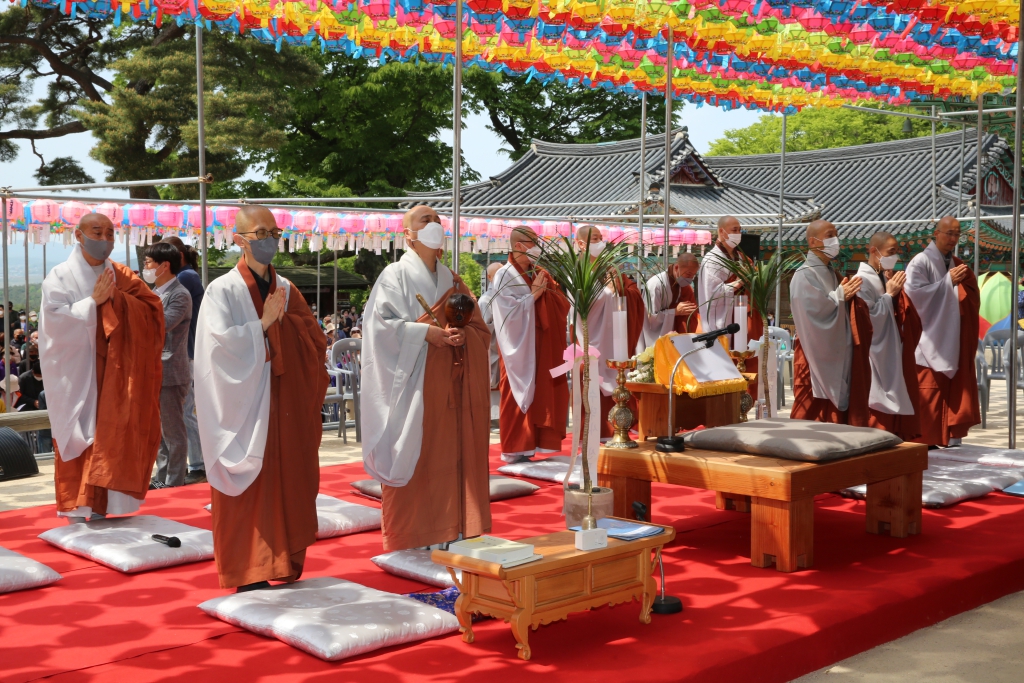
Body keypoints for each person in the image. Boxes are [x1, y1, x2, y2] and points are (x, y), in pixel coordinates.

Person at [195, 206, 328, 591]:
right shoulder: (222, 290)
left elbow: (313, 340)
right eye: (260, 233)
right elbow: (215, 352)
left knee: (288, 480)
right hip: (243, 407)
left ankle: (282, 561)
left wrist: (286, 328)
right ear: (239, 239)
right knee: (250, 487)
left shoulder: (287, 287)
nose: (269, 240)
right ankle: (248, 570)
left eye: (274, 232)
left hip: (285, 402)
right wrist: (264, 325)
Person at [361, 204, 491, 551]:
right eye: (425, 220)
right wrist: (426, 334)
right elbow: (379, 328)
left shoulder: (452, 279)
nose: (433, 223)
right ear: (409, 234)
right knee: (419, 455)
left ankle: (451, 529)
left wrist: (465, 336)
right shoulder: (394, 276)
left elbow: (479, 327)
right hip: (414, 386)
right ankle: (413, 536)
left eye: (437, 219)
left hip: (450, 382)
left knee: (451, 455)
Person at [39, 213, 164, 522]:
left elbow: (152, 311)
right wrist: (93, 303)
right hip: (78, 372)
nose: (105, 239)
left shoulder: (122, 275)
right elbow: (53, 323)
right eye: (97, 232)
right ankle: (80, 507)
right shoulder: (59, 276)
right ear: (78, 235)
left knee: (115, 434)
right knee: (83, 436)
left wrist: (117, 301)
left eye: (110, 233)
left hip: (118, 373)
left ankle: (111, 505)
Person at [492, 226, 570, 462]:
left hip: (541, 345)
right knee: (515, 394)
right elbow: (505, 313)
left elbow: (561, 305)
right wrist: (533, 296)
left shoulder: (540, 273)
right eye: (532, 243)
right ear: (518, 246)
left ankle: (536, 444)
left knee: (543, 393)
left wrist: (547, 291)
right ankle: (516, 447)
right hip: (517, 346)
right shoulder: (504, 275)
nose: (538, 248)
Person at [904, 217, 981, 447]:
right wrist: (947, 282)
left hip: (949, 336)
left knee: (947, 392)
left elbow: (969, 296)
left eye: (957, 234)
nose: (953, 239)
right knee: (928, 393)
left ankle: (947, 439)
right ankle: (925, 441)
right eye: (949, 233)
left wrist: (953, 281)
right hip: (927, 340)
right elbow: (915, 296)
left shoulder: (954, 263)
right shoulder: (920, 261)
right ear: (935, 234)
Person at [789, 219, 866, 423]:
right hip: (811, 350)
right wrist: (839, 295)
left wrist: (843, 297)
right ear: (813, 242)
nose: (835, 240)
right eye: (830, 235)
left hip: (832, 349)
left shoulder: (830, 271)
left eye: (836, 234)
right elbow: (812, 312)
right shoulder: (803, 275)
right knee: (810, 411)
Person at [573, 225, 644, 439]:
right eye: (595, 238)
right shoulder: (576, 270)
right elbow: (580, 305)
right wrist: (609, 292)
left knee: (613, 377)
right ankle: (592, 436)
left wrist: (618, 290)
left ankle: (614, 430)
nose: (600, 242)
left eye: (601, 238)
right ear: (581, 244)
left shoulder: (607, 268)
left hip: (611, 337)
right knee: (591, 382)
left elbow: (630, 291)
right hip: (590, 338)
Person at [854, 232, 922, 440]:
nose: (896, 257)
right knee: (877, 401)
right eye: (891, 252)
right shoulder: (861, 280)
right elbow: (867, 320)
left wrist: (894, 292)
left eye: (897, 252)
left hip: (889, 347)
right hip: (874, 353)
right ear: (874, 251)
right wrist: (889, 294)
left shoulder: (882, 276)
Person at [145, 242, 193, 489]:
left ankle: (175, 481)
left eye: (148, 263)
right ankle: (162, 477)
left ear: (164, 266)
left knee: (173, 432)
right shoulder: (154, 293)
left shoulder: (179, 294)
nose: (146, 267)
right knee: (160, 433)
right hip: (154, 372)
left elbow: (160, 324)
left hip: (171, 372)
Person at [698, 216, 764, 395]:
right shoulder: (712, 260)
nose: (738, 234)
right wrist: (740, 281)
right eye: (734, 230)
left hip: (742, 319)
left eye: (739, 230)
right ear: (721, 231)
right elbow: (713, 294)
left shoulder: (741, 258)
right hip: (724, 323)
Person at [160, 236, 207, 485]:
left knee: (183, 413)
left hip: (185, 352)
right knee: (176, 415)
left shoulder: (185, 278)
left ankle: (198, 465)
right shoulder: (186, 277)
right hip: (181, 352)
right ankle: (180, 469)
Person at [640, 251, 700, 351]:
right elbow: (649, 318)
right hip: (653, 338)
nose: (690, 279)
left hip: (672, 338)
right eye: (688, 274)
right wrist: (675, 312)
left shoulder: (682, 286)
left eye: (693, 275)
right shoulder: (656, 285)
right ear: (676, 267)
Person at [478, 262, 503, 392]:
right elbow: (485, 335)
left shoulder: (506, 297)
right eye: (498, 275)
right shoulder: (485, 301)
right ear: (489, 277)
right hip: (494, 359)